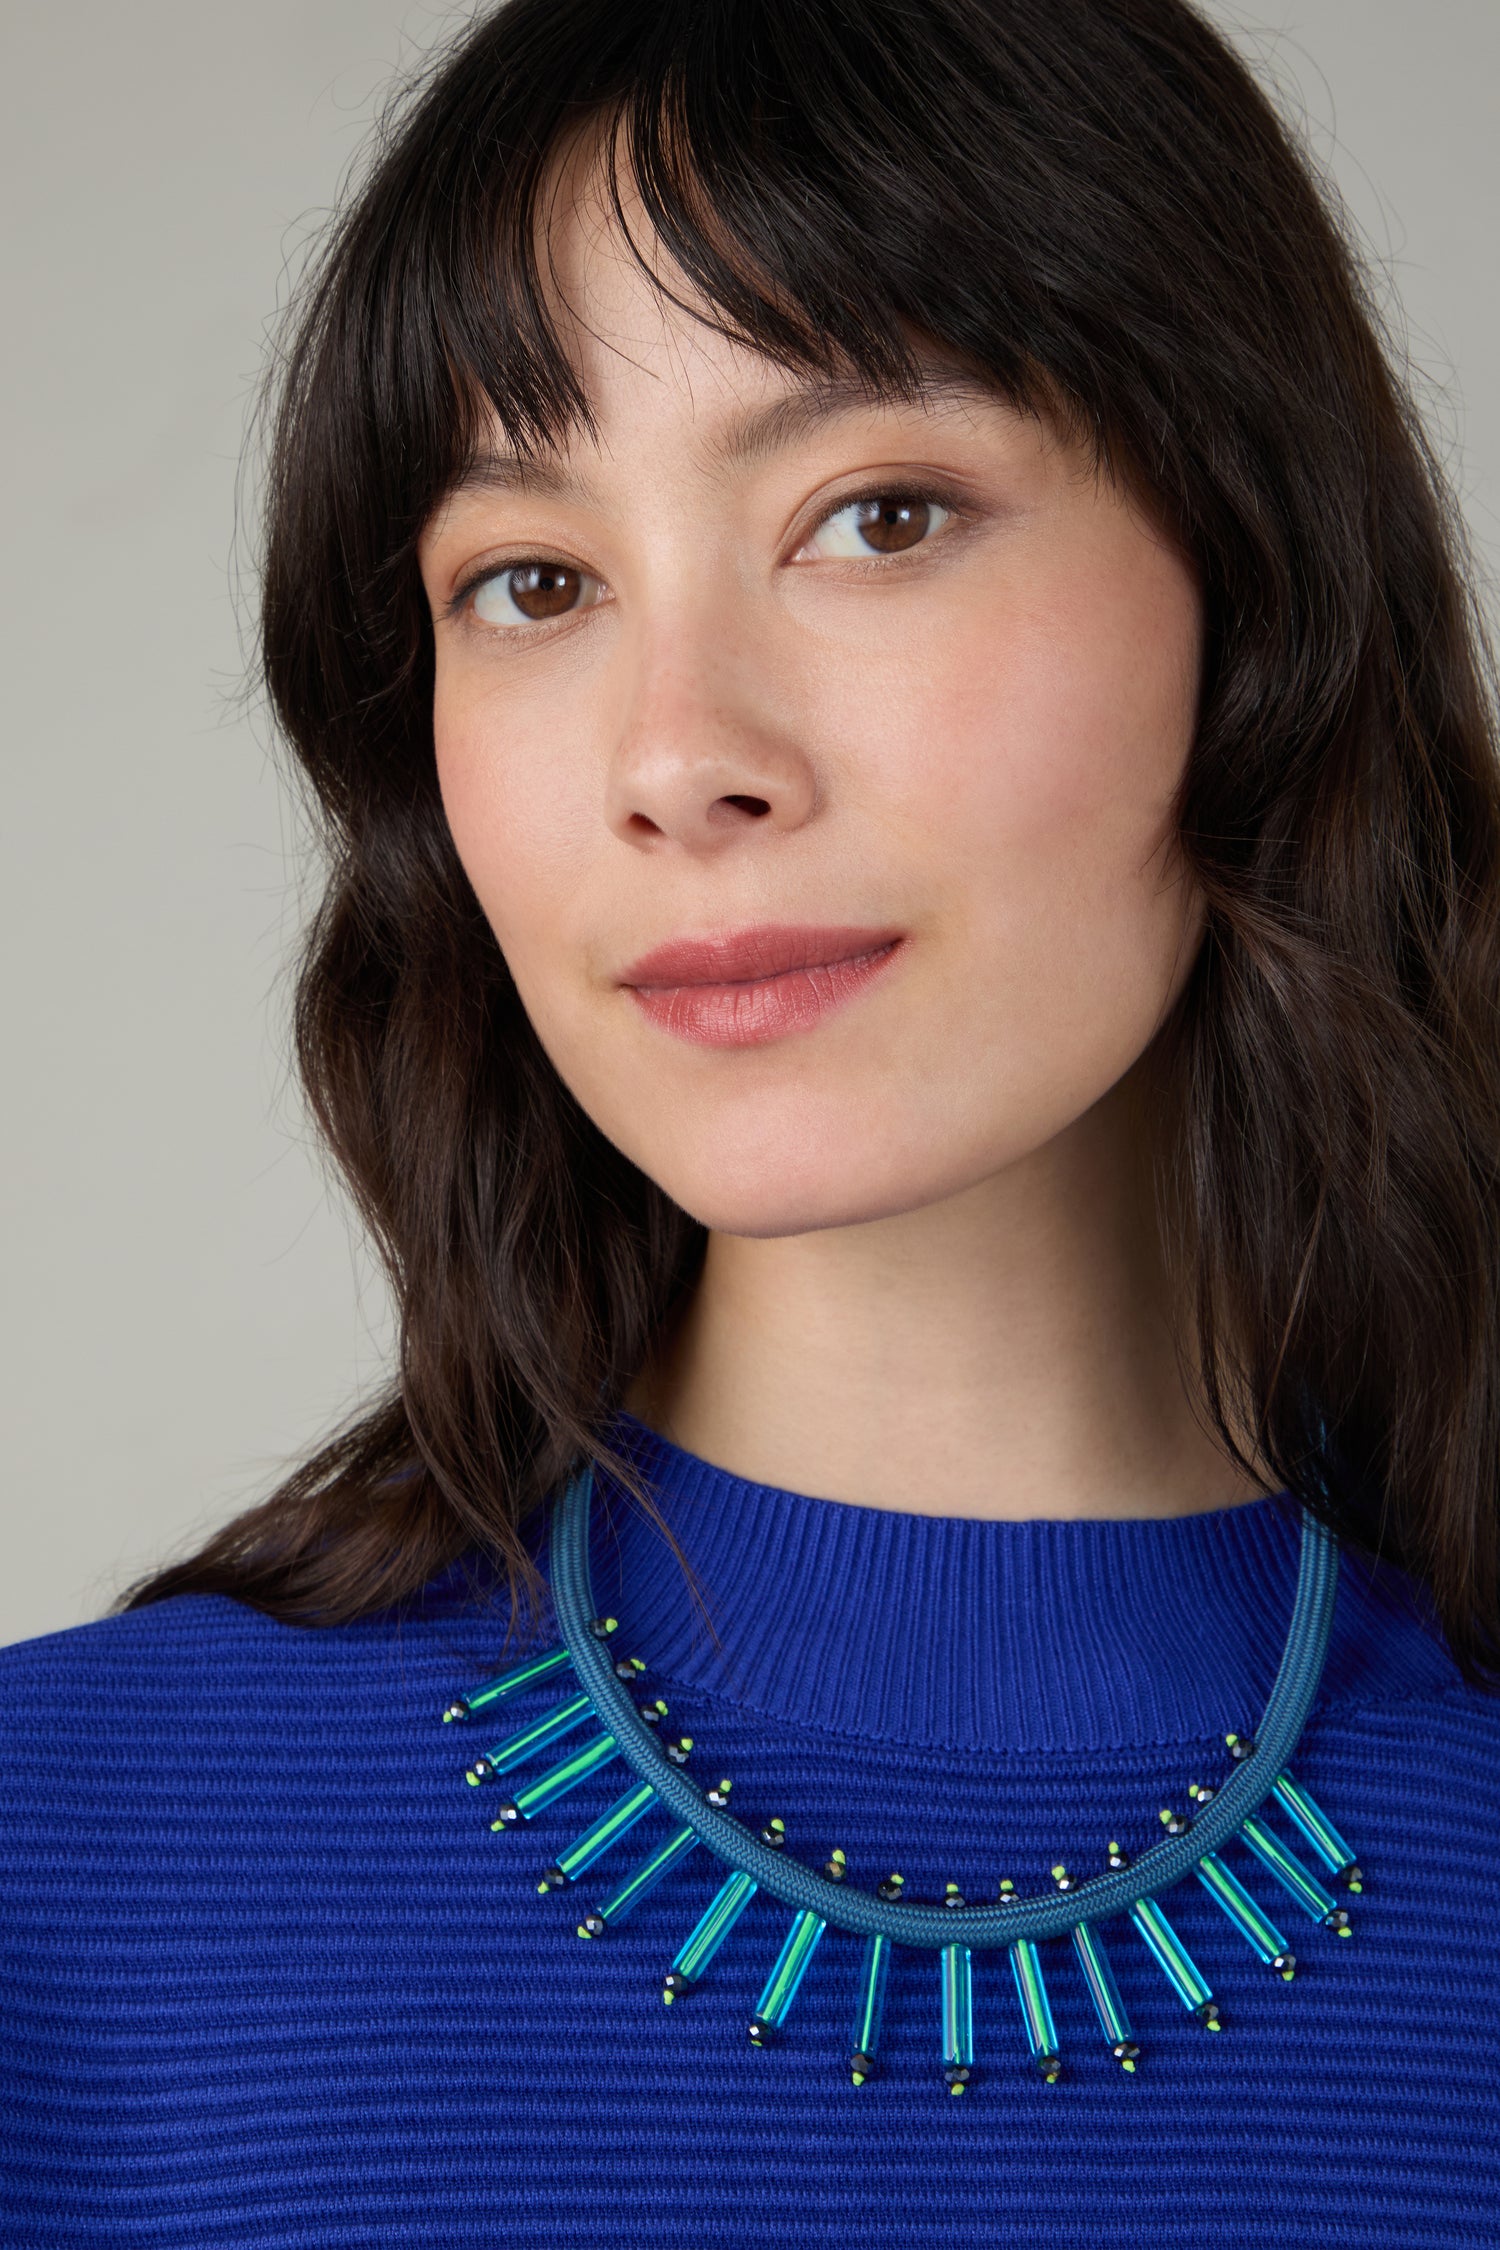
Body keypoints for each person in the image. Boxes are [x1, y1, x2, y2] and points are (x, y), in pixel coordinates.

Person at [4, 0, 1499, 2241]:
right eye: (533, 580)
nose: (676, 751)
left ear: (1258, 586)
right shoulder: (66, 1873)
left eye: (876, 516)